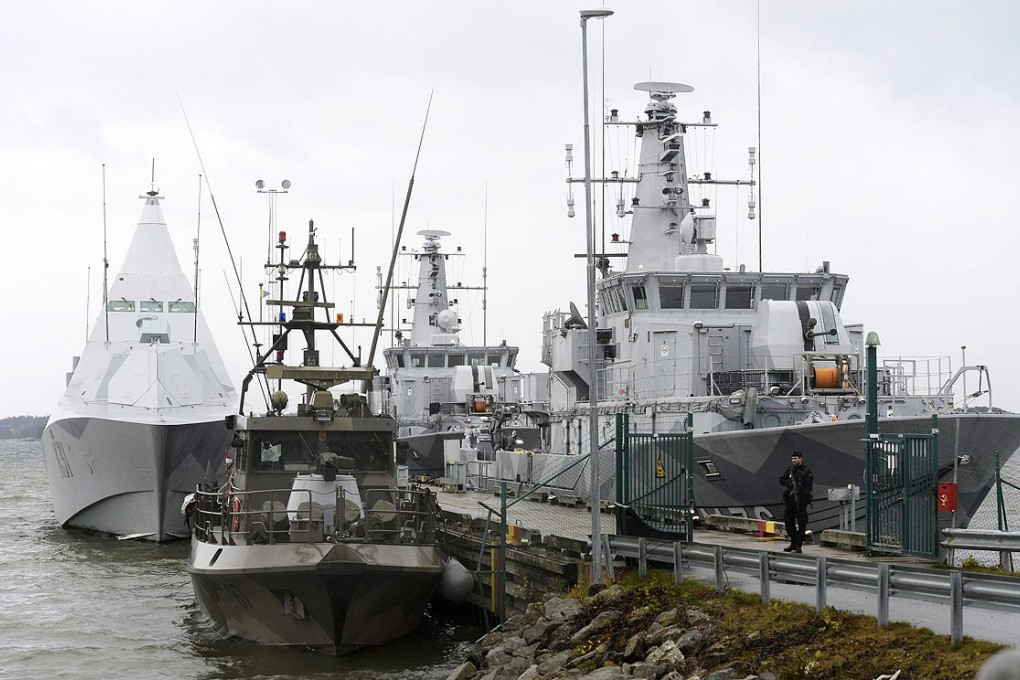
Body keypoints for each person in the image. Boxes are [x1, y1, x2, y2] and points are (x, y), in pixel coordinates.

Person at [779, 451, 814, 553]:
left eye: (795, 458)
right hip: (791, 500)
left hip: (800, 501)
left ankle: (799, 545)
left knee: (802, 523)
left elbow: (808, 487)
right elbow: (781, 479)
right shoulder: (790, 470)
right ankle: (793, 543)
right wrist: (788, 483)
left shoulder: (807, 471)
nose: (793, 460)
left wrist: (802, 495)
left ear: (801, 459)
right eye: (792, 458)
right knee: (788, 522)